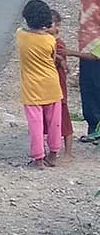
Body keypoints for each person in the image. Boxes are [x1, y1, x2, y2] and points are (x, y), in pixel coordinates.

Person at [17, 0, 64, 168]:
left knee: (35, 123)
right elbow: (52, 58)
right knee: (54, 122)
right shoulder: (50, 40)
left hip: (31, 87)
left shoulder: (20, 35)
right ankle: (53, 154)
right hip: (51, 84)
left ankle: (38, 158)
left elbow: (23, 30)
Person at [78, 0, 100, 143]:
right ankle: (93, 127)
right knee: (89, 85)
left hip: (97, 43)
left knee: (95, 84)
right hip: (87, 41)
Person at [49, 10, 75, 160]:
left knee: (64, 119)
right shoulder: (46, 41)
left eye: (50, 24)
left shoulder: (59, 44)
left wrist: (58, 57)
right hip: (49, 86)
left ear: (57, 26)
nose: (46, 27)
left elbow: (60, 61)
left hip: (59, 86)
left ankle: (68, 153)